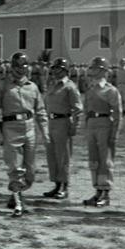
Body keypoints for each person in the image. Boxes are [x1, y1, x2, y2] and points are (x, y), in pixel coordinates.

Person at [0, 51, 49, 217]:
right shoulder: (3, 85)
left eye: (24, 66)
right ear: (12, 67)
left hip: (29, 128)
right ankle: (18, 203)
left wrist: (45, 132)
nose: (20, 69)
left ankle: (16, 193)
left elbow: (40, 110)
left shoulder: (32, 87)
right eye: (17, 66)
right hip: (10, 128)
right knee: (15, 168)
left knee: (30, 171)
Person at [82, 56, 123, 207]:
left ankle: (105, 192)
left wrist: (115, 133)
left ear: (103, 71)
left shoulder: (110, 90)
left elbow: (117, 113)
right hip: (92, 124)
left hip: (105, 124)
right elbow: (86, 109)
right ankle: (97, 190)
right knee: (94, 159)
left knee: (105, 160)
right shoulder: (90, 89)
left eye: (95, 68)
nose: (92, 71)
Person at [42, 58, 83, 199]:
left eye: (57, 68)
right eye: (53, 68)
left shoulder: (69, 87)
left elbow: (78, 109)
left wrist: (75, 126)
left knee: (63, 156)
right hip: (51, 122)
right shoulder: (52, 85)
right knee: (52, 156)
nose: (54, 71)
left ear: (64, 70)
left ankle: (64, 186)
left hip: (63, 122)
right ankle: (57, 184)